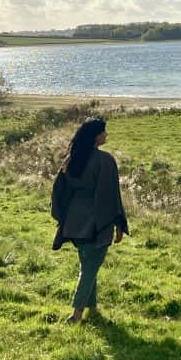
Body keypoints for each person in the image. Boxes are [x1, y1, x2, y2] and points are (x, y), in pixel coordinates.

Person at [51, 116, 128, 324]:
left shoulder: (73, 158)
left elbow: (60, 190)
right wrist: (118, 225)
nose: (106, 135)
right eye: (104, 131)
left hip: (74, 221)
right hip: (95, 221)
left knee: (88, 263)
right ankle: (76, 314)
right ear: (96, 136)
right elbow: (110, 196)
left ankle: (93, 311)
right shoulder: (105, 161)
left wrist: (63, 217)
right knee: (90, 267)